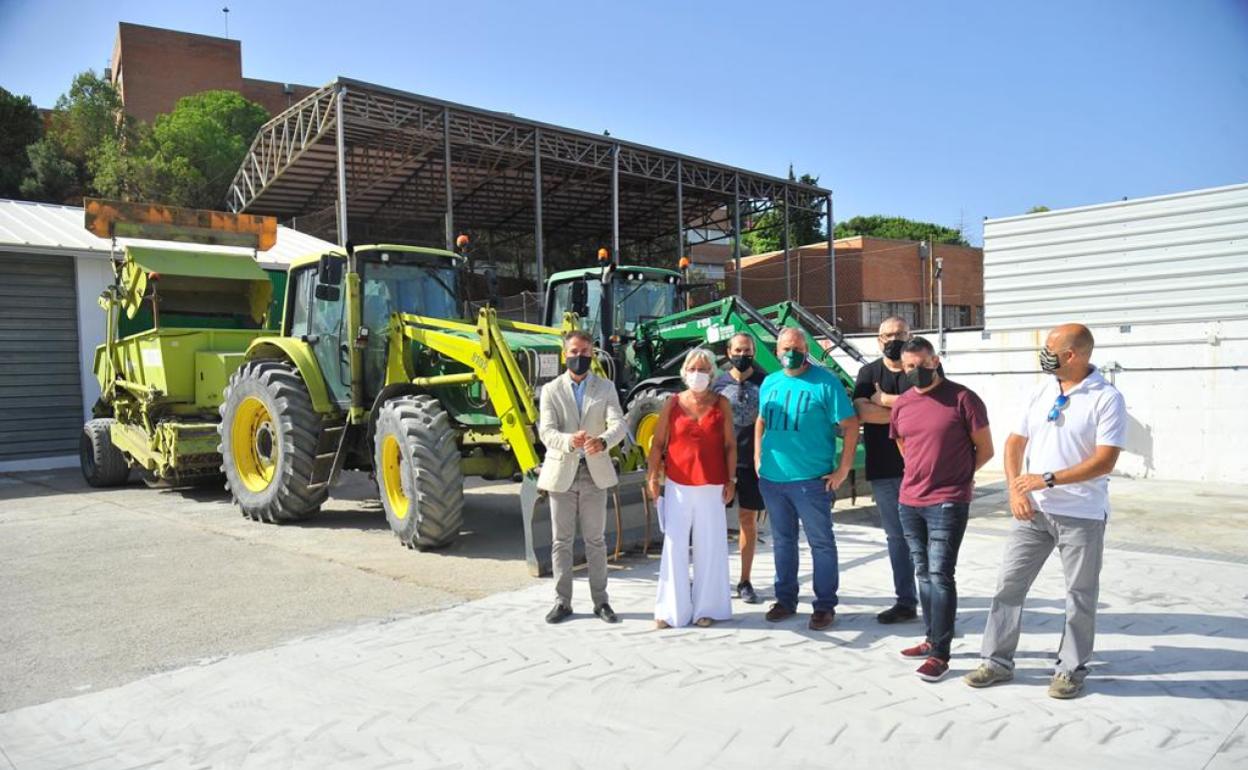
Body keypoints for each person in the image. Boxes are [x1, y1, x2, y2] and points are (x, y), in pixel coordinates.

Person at [965, 324, 1126, 699]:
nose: (1045, 353)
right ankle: (996, 661)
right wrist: (1016, 488)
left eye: (1051, 347)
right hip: (1034, 514)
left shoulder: (1106, 398)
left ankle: (1070, 669)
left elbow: (1105, 461)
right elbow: (1013, 443)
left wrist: (1047, 479)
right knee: (1009, 585)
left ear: (1073, 354)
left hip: (1082, 515)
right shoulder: (1041, 392)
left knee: (1080, 595)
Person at [889, 337, 994, 681]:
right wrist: (920, 474)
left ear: (935, 360)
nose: (915, 371)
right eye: (909, 366)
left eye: (921, 363)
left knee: (940, 574)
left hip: (948, 500)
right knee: (922, 572)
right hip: (909, 500)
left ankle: (940, 654)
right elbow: (905, 445)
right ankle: (931, 637)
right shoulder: (902, 403)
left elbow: (985, 448)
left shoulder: (963, 398)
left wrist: (959, 478)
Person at [755, 328, 859, 631]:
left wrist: (842, 470)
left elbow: (850, 426)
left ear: (806, 350)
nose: (792, 352)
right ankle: (785, 600)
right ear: (776, 351)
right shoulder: (770, 382)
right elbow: (761, 420)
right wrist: (758, 459)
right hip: (773, 480)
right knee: (783, 542)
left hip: (811, 481)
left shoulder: (825, 382)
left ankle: (824, 605)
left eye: (798, 347)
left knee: (821, 544)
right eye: (786, 347)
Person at [537, 330, 628, 625]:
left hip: (594, 473)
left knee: (596, 541)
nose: (580, 357)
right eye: (575, 352)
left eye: (586, 352)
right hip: (562, 472)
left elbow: (619, 423)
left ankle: (601, 602)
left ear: (593, 354)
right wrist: (568, 440)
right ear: (565, 354)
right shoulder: (551, 390)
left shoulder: (606, 387)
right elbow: (546, 431)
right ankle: (562, 602)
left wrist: (602, 440)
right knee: (561, 541)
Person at [647, 347, 736, 628]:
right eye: (694, 369)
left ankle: (706, 609)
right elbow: (658, 443)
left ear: (712, 374)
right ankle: (670, 611)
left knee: (710, 547)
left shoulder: (721, 403)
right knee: (674, 546)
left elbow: (730, 445)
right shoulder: (673, 403)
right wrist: (652, 476)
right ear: (685, 372)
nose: (698, 374)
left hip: (712, 484)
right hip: (677, 485)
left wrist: (731, 479)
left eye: (704, 369)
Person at [852, 316, 919, 625]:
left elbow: (928, 409)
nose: (894, 339)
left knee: (927, 537)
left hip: (922, 468)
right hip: (884, 469)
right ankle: (906, 601)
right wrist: (906, 408)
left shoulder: (921, 367)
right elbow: (863, 412)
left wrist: (886, 401)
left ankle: (935, 599)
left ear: (910, 335)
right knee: (896, 537)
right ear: (878, 340)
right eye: (888, 335)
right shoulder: (868, 373)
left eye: (900, 334)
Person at [713, 332, 767, 604]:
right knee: (713, 523)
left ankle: (745, 580)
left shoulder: (766, 382)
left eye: (747, 351)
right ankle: (712, 578)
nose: (742, 356)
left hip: (751, 463)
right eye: (738, 350)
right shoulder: (718, 384)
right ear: (728, 351)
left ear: (754, 353)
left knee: (748, 521)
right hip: (719, 464)